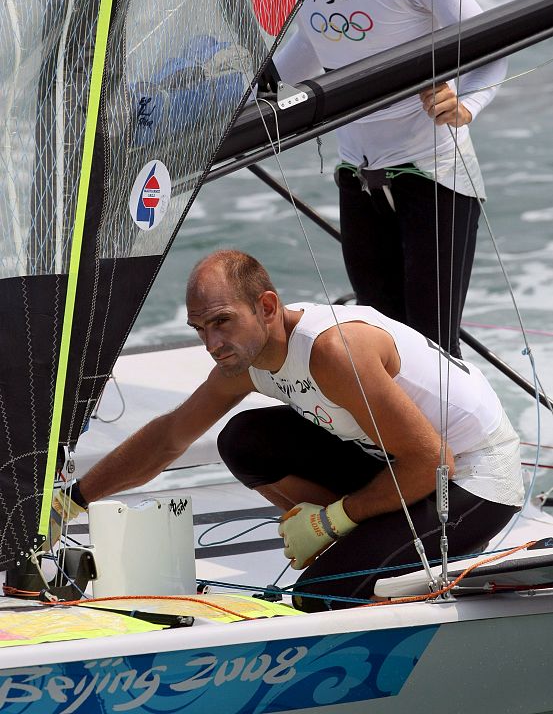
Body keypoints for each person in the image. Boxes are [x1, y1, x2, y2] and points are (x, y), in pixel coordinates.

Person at [52, 250, 523, 611]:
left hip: (472, 478)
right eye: (200, 329)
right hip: (398, 461)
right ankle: (365, 541)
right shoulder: (246, 358)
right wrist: (71, 501)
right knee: (243, 440)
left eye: (222, 322)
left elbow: (434, 461)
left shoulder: (334, 351)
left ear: (267, 306)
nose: (213, 344)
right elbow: (170, 436)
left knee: (321, 596)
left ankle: (367, 542)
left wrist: (333, 518)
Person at [273, 0, 508, 358]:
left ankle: (455, 426)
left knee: (434, 350)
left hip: (434, 176)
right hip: (357, 181)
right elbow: (284, 73)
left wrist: (465, 105)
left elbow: (492, 44)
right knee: (381, 344)